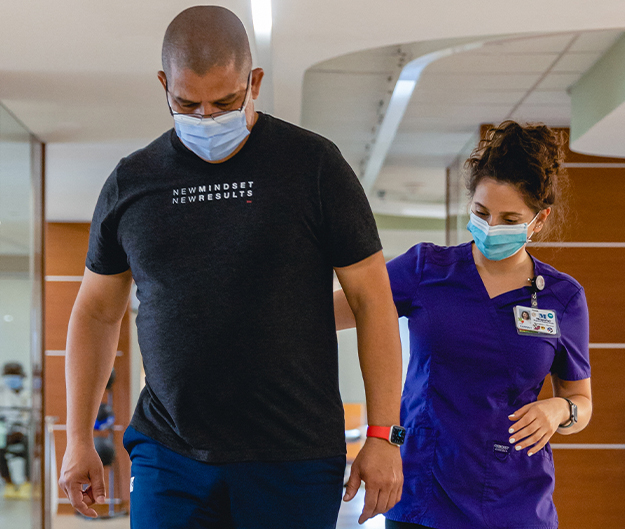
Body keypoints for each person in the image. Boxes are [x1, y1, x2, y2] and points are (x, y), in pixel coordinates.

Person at [59, 5, 404, 528]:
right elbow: (96, 314)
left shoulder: (313, 167)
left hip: (293, 455)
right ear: (163, 85)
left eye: (225, 101)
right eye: (186, 103)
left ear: (254, 81)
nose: (205, 118)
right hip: (168, 452)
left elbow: (373, 299)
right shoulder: (131, 183)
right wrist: (79, 438)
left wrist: (382, 435)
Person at [334, 121, 592, 529]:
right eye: (481, 212)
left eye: (509, 218)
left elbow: (582, 402)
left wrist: (560, 408)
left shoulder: (563, 297)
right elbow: (334, 311)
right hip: (423, 490)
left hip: (516, 498)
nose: (491, 227)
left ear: (538, 220)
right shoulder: (426, 269)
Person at [0, 361, 31, 499]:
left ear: (21, 376)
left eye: (14, 374)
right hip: (5, 431)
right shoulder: (2, 392)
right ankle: (9, 483)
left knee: (30, 444)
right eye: (9, 375)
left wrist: (21, 429)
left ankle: (28, 482)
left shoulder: (29, 393)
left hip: (24, 432)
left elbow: (30, 418)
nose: (11, 378)